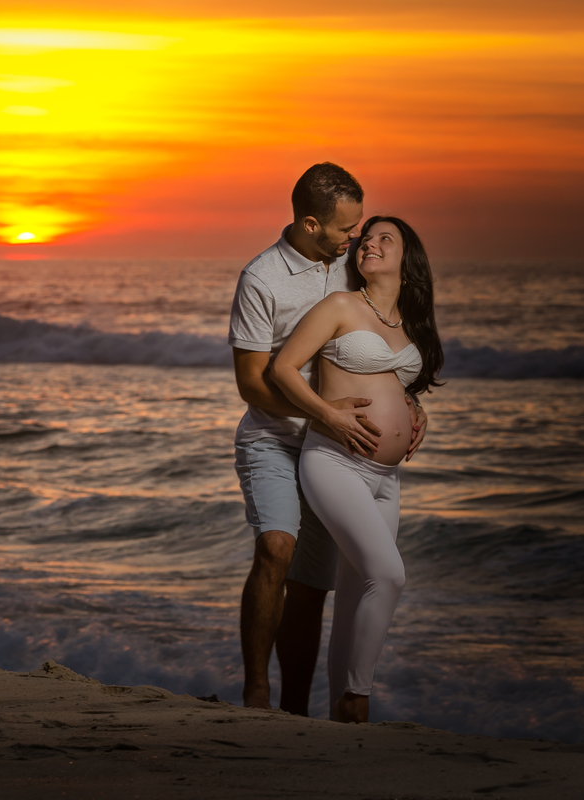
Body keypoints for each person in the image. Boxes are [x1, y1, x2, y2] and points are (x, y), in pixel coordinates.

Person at [228, 163, 428, 713]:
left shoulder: (347, 270)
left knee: (313, 586)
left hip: (335, 447)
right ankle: (256, 693)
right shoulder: (262, 279)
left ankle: (296, 705)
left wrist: (407, 403)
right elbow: (253, 384)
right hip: (274, 435)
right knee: (276, 547)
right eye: (345, 229)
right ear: (312, 223)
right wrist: (323, 416)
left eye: (360, 229)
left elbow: (374, 348)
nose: (355, 239)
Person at [268, 216, 443, 722]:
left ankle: (339, 721)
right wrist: (327, 414)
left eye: (385, 238)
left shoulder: (408, 323)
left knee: (356, 591)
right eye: (366, 238)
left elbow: (397, 381)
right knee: (388, 575)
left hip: (386, 479)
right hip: (333, 461)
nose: (370, 243)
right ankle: (358, 698)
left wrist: (413, 406)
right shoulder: (341, 306)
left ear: (407, 263)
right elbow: (282, 369)